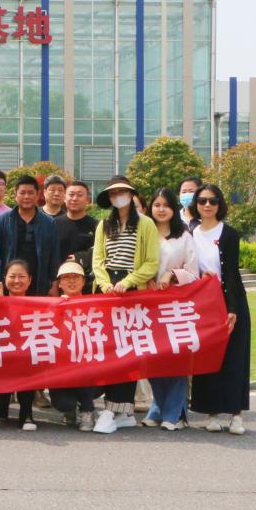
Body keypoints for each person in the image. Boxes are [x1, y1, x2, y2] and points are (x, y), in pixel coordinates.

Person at [91, 175, 160, 434]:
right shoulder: (104, 224)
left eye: (122, 192)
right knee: (109, 349)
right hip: (108, 290)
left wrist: (129, 281)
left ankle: (117, 409)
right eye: (113, 193)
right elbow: (98, 259)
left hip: (132, 290)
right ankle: (118, 410)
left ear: (131, 195)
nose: (118, 196)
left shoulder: (146, 224)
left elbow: (151, 262)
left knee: (127, 352)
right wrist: (105, 284)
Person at [190, 183, 251, 436]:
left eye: (213, 201)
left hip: (230, 301)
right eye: (202, 200)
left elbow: (232, 272)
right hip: (204, 304)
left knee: (235, 358)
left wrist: (233, 308)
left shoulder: (229, 233)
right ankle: (211, 413)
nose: (207, 205)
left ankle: (236, 415)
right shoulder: (190, 232)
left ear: (220, 204)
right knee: (208, 358)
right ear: (195, 204)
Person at [142, 188, 199, 431]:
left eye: (166, 205)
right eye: (157, 205)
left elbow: (194, 272)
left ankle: (174, 413)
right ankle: (158, 408)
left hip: (175, 307)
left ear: (174, 209)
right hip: (147, 305)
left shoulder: (184, 236)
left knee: (175, 358)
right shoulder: (144, 233)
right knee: (153, 359)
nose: (161, 209)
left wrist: (172, 274)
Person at [48, 261, 98, 432]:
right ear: (59, 283)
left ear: (83, 281)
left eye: (76, 277)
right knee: (64, 403)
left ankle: (87, 410)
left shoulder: (95, 304)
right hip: (61, 372)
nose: (71, 281)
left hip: (88, 369)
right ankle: (70, 410)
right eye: (66, 277)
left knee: (85, 368)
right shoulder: (50, 306)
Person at [0, 175, 60, 296]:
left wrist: (54, 284)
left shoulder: (49, 222)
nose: (26, 197)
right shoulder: (3, 221)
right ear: (15, 195)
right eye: (22, 193)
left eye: (30, 193)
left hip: (40, 281)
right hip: (12, 282)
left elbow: (54, 256)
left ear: (37, 195)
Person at [0, 259, 41, 431]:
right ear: (5, 279)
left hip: (26, 361)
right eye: (12, 276)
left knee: (27, 365)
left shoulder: (39, 305)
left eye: (21, 276)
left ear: (30, 280)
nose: (16, 281)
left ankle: (26, 413)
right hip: (1, 362)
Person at [55, 180, 97, 276]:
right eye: (71, 194)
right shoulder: (54, 224)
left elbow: (100, 252)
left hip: (86, 278)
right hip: (60, 278)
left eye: (80, 195)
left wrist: (82, 257)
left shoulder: (96, 226)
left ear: (87, 200)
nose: (74, 198)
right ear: (64, 198)